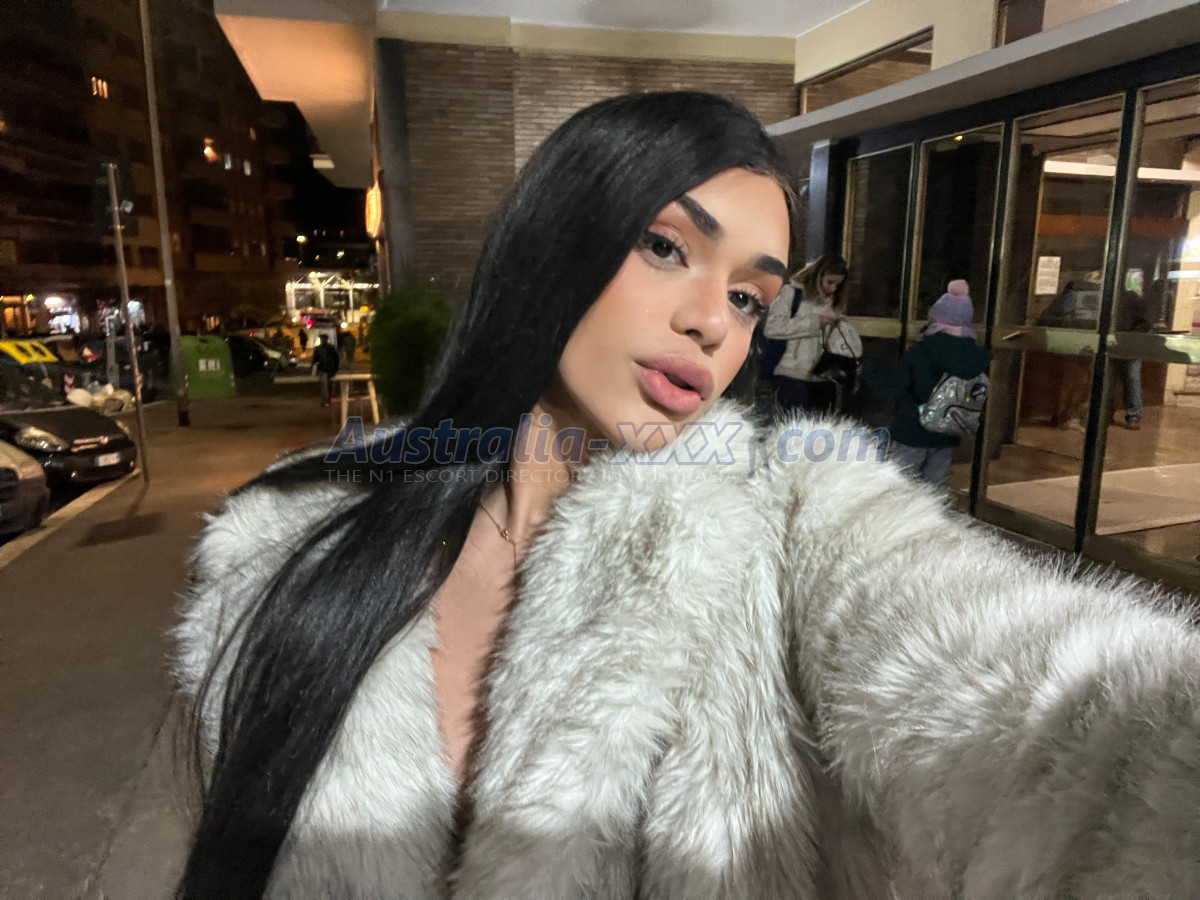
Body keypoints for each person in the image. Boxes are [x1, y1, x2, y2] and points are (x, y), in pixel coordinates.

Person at [174, 93, 1200, 900]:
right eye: (668, 247)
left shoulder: (786, 507)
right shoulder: (299, 543)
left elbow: (1022, 695)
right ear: (555, 238)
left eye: (751, 297)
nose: (715, 321)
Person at [866, 279, 990, 487]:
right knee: (935, 489)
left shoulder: (920, 352)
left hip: (912, 430)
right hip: (947, 433)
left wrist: (868, 371)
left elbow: (897, 389)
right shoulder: (977, 357)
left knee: (900, 488)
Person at [762, 253, 852, 416]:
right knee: (792, 426)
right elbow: (772, 328)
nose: (833, 288)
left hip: (824, 376)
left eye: (838, 284)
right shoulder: (792, 293)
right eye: (830, 282)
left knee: (822, 428)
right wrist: (815, 323)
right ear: (818, 275)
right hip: (792, 374)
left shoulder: (835, 300)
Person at [1113, 287, 1153, 430]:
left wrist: (1130, 338)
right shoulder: (1115, 298)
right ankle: (1108, 411)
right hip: (1114, 342)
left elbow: (1146, 323)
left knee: (1132, 378)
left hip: (1130, 344)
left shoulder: (1135, 299)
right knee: (1111, 380)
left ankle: (1134, 415)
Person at [311, 334, 339, 406]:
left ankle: (328, 399)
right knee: (325, 385)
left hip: (330, 369)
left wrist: (335, 368)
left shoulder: (330, 348)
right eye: (322, 339)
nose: (323, 340)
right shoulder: (319, 348)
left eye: (323, 339)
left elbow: (336, 359)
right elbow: (315, 359)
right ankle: (326, 400)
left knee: (329, 385)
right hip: (323, 369)